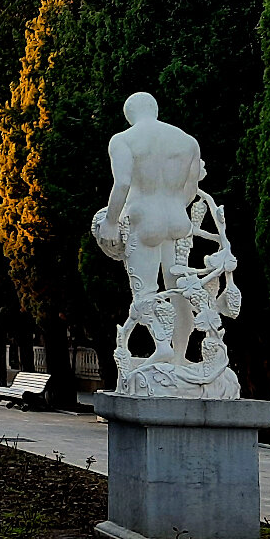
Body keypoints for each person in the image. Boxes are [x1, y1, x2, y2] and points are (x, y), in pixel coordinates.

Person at [97, 91, 202, 365]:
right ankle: (181, 355)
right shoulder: (187, 142)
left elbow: (122, 184)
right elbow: (190, 190)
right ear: (154, 110)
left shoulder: (124, 140)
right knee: (179, 289)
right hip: (177, 219)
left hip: (144, 220)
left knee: (144, 291)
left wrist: (110, 221)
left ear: (129, 115)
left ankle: (162, 345)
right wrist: (172, 205)